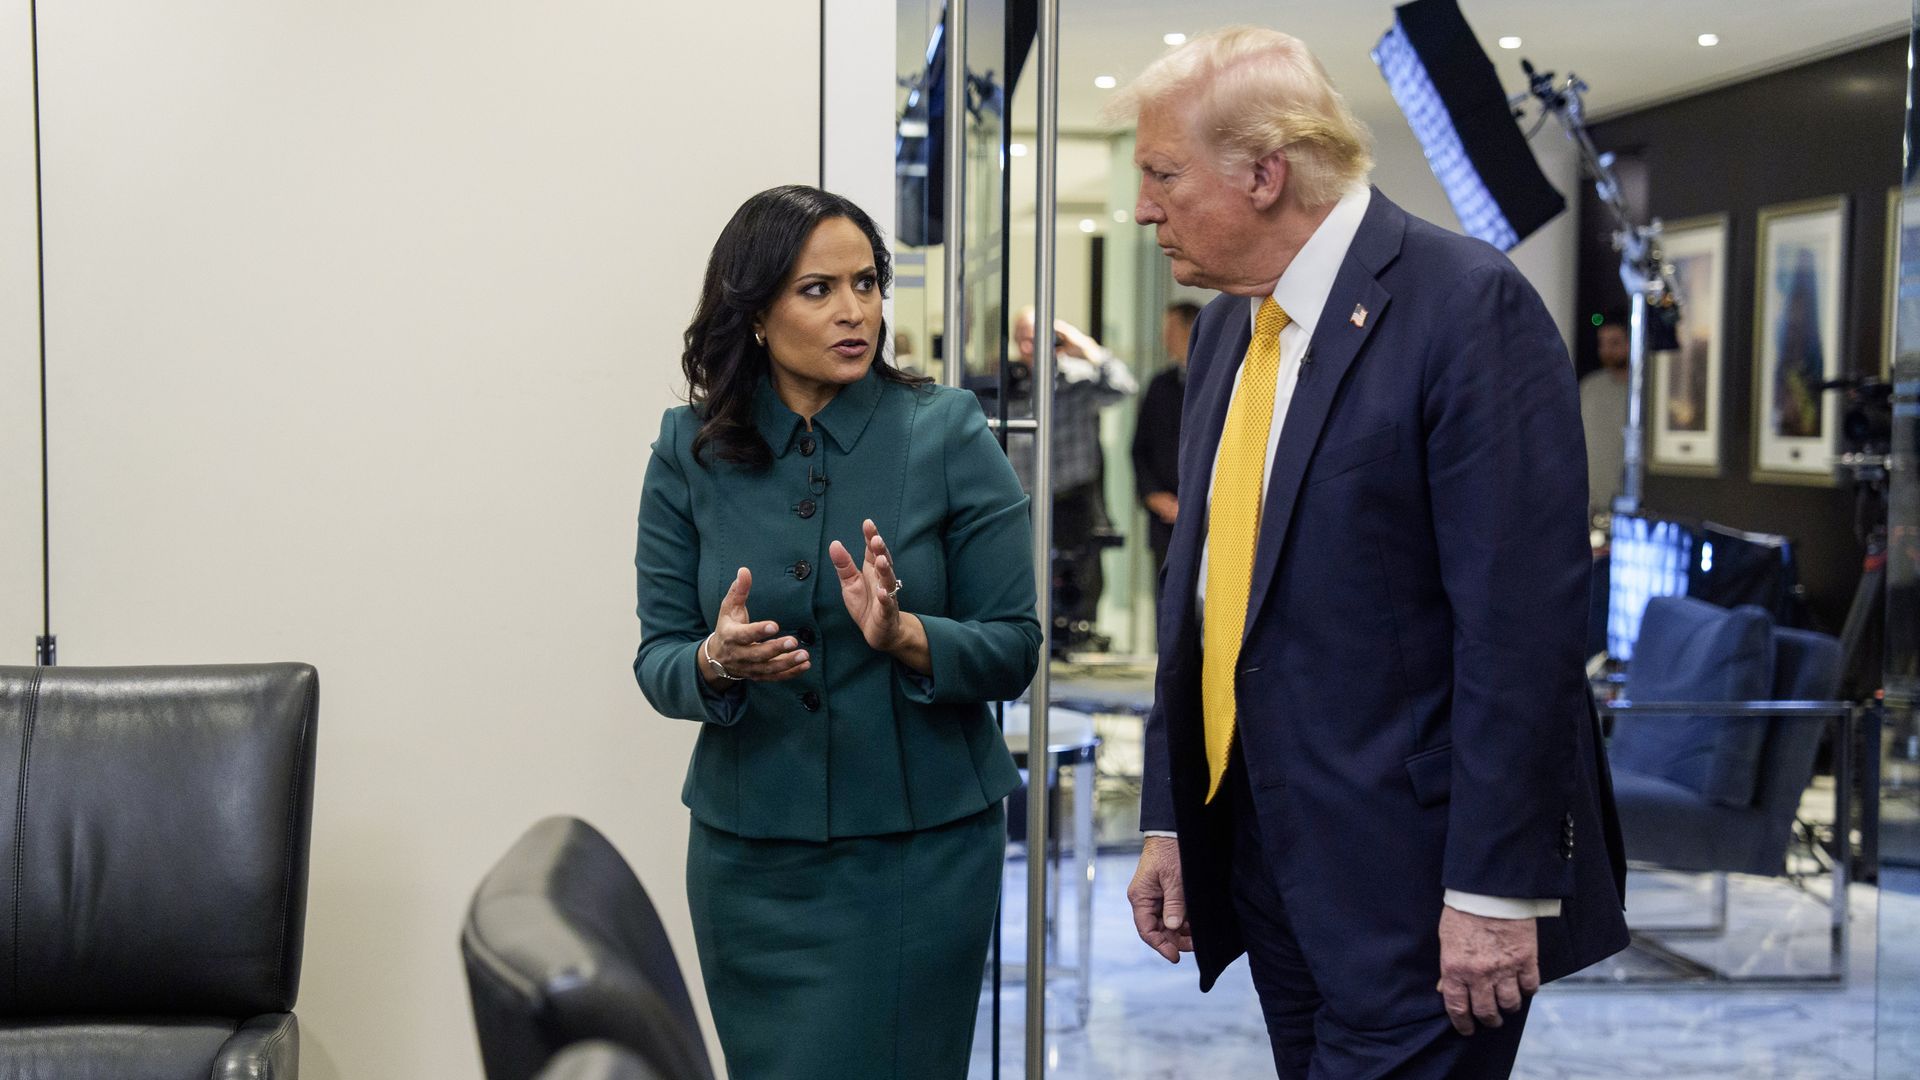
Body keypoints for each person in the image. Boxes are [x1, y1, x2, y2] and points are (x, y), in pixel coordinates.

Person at [1113, 28, 1629, 1079]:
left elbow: (1520, 629)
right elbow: (1204, 602)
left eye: (1163, 176)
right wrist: (1171, 816)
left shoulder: (1467, 308)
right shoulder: (1226, 329)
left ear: (1263, 175)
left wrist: (1493, 891)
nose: (1143, 209)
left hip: (1420, 886)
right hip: (1269, 860)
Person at [632, 185, 1041, 1080]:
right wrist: (712, 660)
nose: (856, 311)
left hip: (918, 859)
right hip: (750, 864)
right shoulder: (687, 447)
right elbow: (657, 657)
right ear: (754, 313)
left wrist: (906, 636)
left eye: (868, 283)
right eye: (819, 289)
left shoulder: (946, 431)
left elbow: (1014, 642)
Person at [1008, 307, 1136, 649]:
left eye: (1036, 337)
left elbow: (1124, 387)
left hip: (1073, 496)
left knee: (1081, 576)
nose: (1028, 345)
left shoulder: (1080, 378)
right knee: (1024, 575)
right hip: (1024, 497)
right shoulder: (1009, 382)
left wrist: (1086, 347)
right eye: (1021, 337)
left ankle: (1075, 639)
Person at [1132, 302, 1201, 577]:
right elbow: (1139, 449)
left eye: (1170, 329)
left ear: (1190, 329)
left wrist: (1193, 503)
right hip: (1163, 521)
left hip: (1207, 519)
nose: (1164, 337)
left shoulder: (1224, 379)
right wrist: (1153, 495)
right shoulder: (1159, 384)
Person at [1581, 316, 1631, 515]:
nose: (1607, 351)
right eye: (1602, 344)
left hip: (1628, 501)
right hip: (1592, 504)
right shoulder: (1591, 386)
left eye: (1615, 343)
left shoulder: (1644, 392)